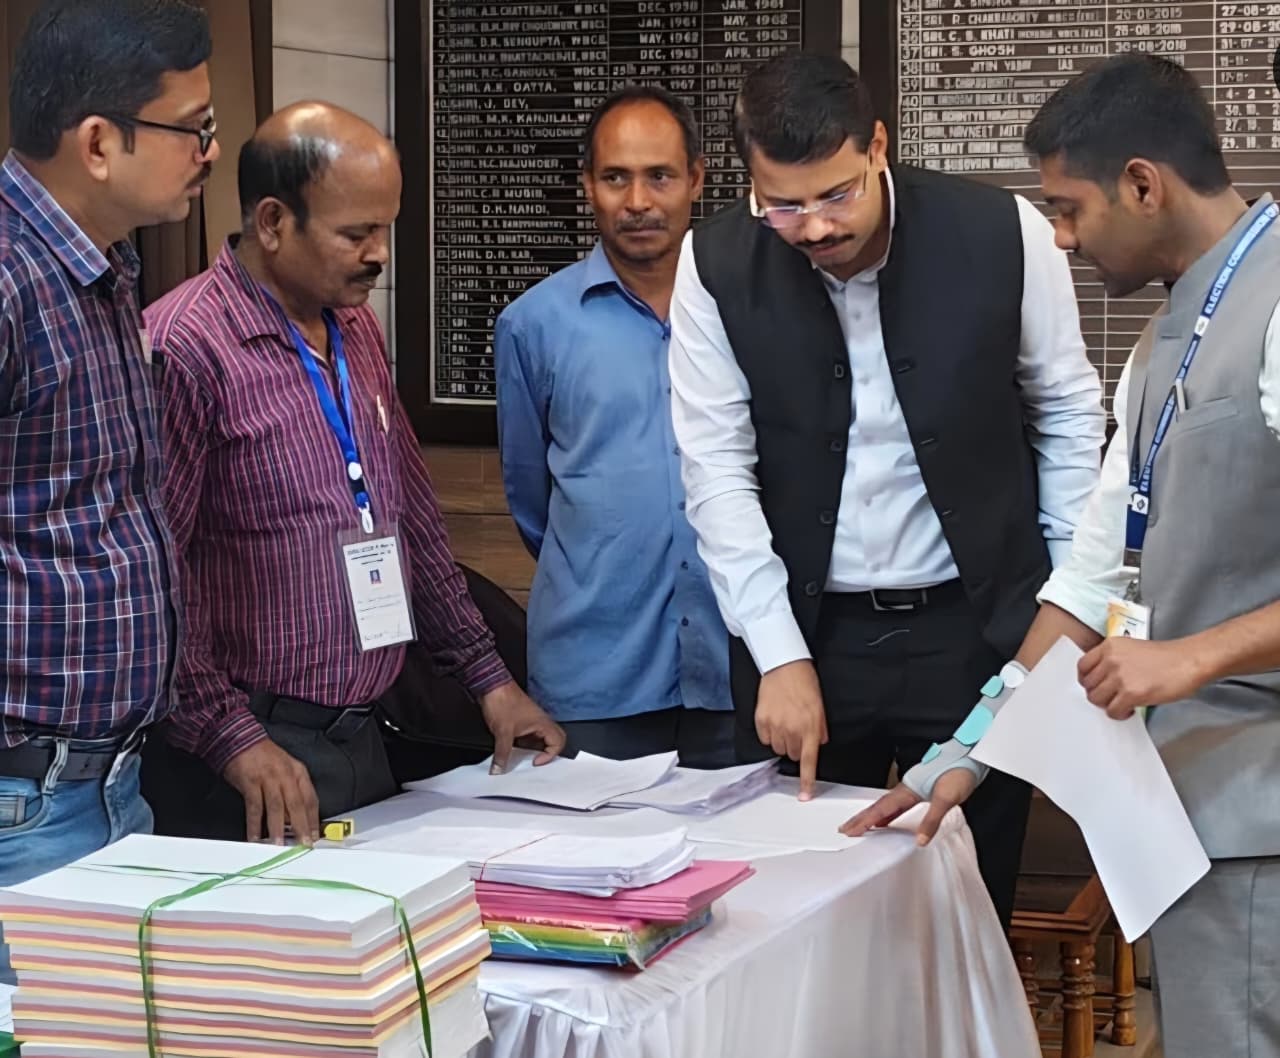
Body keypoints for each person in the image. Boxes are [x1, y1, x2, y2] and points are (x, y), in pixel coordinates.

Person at [843, 53, 1280, 1058]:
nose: (1059, 235)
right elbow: (1086, 581)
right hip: (1188, 819)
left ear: (1141, 183)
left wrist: (1191, 655)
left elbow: (1175, 638)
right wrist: (965, 751)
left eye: (1069, 206)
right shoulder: (1154, 344)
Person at [668, 51, 1106, 926]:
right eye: (782, 205)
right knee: (815, 909)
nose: (814, 227)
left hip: (976, 628)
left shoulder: (1005, 232)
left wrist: (1062, 604)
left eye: (836, 194)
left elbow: (1065, 414)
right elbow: (715, 469)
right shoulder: (712, 265)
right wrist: (778, 652)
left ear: (877, 147)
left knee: (971, 902)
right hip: (812, 638)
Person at [141, 102, 565, 847]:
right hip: (249, 754)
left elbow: (415, 525)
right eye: (355, 233)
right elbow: (155, 575)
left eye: (386, 230)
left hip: (364, 733)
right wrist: (231, 737)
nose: (379, 254)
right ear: (273, 222)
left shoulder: (355, 326)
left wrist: (491, 683)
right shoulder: (184, 347)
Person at [0, 0, 217, 981]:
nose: (208, 151)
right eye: (192, 128)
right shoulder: (9, 279)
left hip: (118, 784)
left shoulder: (105, 270)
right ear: (98, 142)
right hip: (26, 806)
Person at [495, 86, 733, 767]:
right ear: (587, 188)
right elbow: (531, 499)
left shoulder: (742, 313)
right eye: (615, 178)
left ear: (696, 179)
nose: (638, 201)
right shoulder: (534, 325)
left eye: (659, 176)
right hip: (595, 675)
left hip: (737, 667)